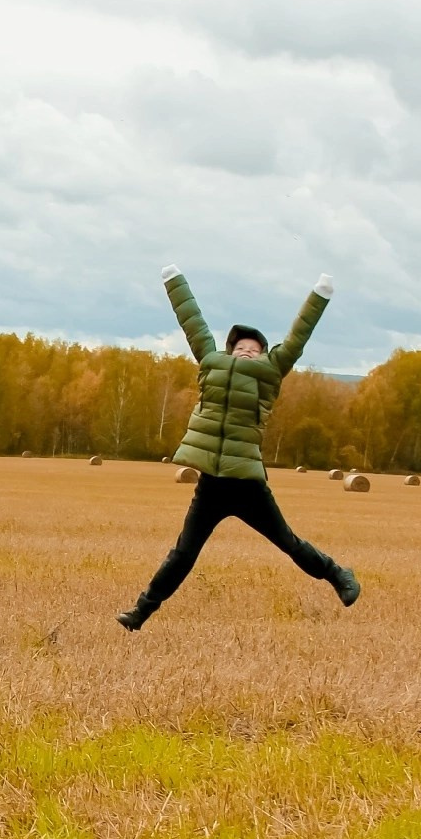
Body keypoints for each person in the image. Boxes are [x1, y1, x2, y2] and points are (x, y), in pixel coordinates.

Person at [118, 266, 362, 629]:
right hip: (211, 484)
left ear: (264, 355)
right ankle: (140, 613)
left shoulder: (270, 373)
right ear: (229, 352)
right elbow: (193, 323)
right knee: (183, 555)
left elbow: (297, 336)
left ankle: (340, 574)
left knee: (288, 543)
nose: (246, 352)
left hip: (247, 485)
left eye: (254, 349)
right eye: (240, 348)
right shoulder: (211, 364)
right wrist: (174, 281)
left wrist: (320, 294)